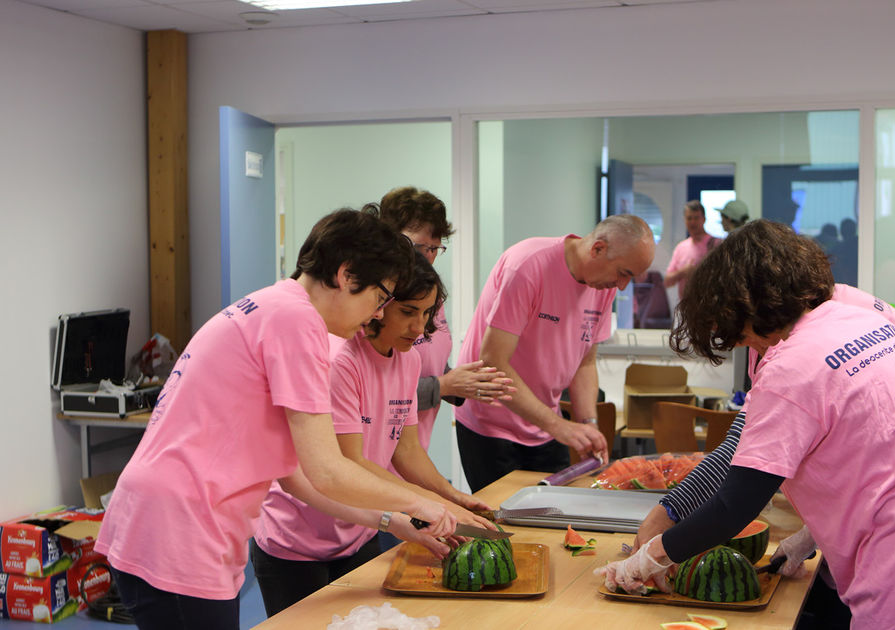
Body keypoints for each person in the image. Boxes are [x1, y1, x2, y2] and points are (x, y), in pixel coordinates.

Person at [597, 220, 895, 630]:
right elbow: (881, 457)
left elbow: (734, 507)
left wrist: (650, 556)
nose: (746, 348)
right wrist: (810, 535)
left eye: (739, 335)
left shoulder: (789, 367)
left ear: (742, 306)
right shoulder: (862, 322)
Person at [94, 208, 457, 630]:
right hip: (181, 530)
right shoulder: (295, 320)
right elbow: (329, 470)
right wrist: (421, 503)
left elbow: (297, 478)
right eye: (379, 298)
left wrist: (395, 521)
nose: (378, 314)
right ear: (345, 274)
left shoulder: (278, 309)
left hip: (170, 522)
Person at [251, 252, 495, 615]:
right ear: (381, 306)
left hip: (359, 530)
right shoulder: (341, 361)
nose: (418, 327)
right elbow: (354, 462)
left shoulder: (409, 359)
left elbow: (406, 450)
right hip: (296, 541)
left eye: (427, 313)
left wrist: (452, 495)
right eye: (409, 312)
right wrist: (426, 504)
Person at [455, 214, 655, 492]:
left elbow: (584, 363)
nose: (621, 286)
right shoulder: (527, 265)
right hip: (492, 425)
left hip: (545, 426)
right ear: (598, 249)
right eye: (623, 274)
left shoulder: (602, 286)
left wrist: (588, 424)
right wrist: (559, 427)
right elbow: (493, 362)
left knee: (553, 521)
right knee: (506, 526)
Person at [376, 186, 514, 451]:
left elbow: (430, 364)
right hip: (379, 448)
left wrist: (466, 383)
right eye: (418, 246)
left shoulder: (431, 298)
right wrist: (444, 385)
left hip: (414, 443)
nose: (427, 257)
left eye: (435, 248)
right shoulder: (378, 302)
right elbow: (374, 393)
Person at [664, 201, 720, 299]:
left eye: (696, 218)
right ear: (684, 220)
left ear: (704, 219)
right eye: (689, 218)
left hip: (711, 307)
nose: (693, 222)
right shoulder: (681, 247)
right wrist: (683, 272)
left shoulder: (716, 244)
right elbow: (667, 281)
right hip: (686, 308)